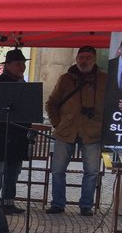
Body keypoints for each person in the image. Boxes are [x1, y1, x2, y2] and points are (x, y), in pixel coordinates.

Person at [45, 46, 106, 216]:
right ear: (76, 59)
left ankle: (86, 205)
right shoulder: (65, 79)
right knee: (57, 170)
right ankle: (58, 203)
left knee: (92, 171)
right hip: (66, 130)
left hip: (92, 130)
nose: (83, 60)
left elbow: (110, 105)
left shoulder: (104, 80)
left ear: (94, 60)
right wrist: (57, 123)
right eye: (81, 57)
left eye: (87, 57)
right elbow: (51, 103)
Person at [0, 48, 31, 215]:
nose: (22, 67)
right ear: (8, 65)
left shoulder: (23, 84)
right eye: (18, 64)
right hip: (1, 134)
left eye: (23, 64)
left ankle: (9, 201)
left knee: (14, 170)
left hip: (19, 135)